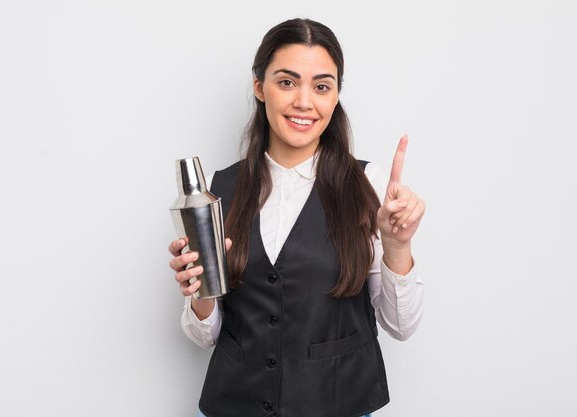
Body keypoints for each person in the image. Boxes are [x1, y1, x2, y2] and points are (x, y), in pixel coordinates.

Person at [168, 18, 425, 417]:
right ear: (260, 87)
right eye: (287, 82)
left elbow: (401, 325)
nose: (304, 102)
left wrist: (397, 246)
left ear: (336, 95)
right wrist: (199, 294)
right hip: (233, 403)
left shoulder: (368, 186)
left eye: (322, 86)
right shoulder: (220, 188)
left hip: (339, 402)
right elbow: (206, 335)